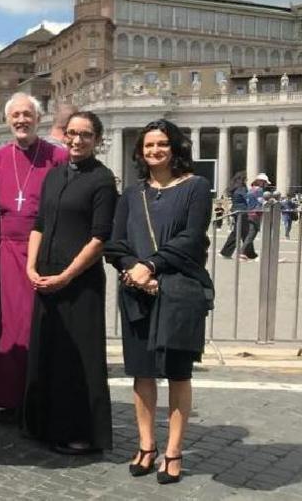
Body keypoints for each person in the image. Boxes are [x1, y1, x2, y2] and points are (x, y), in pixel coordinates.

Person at [105, 119, 213, 486]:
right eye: (148, 145)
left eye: (162, 144)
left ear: (175, 147)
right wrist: (132, 268)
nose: (154, 151)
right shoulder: (132, 194)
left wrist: (150, 265)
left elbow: (192, 238)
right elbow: (115, 243)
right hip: (135, 289)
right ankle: (147, 445)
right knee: (142, 371)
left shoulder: (197, 187)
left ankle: (174, 450)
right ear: (140, 152)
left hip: (177, 291)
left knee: (179, 374)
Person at [22, 111, 117, 455]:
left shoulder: (103, 180)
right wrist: (31, 266)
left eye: (86, 135)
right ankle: (42, 423)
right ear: (64, 135)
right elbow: (39, 224)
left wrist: (66, 275)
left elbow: (99, 238)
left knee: (78, 360)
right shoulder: (54, 175)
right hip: (46, 275)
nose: (77, 141)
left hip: (79, 282)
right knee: (48, 351)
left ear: (97, 140)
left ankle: (80, 431)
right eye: (72, 133)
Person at [0, 92, 67, 423]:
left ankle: (38, 398)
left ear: (38, 119)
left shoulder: (56, 157)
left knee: (36, 328)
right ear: (7, 121)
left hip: (42, 253)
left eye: (27, 115)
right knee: (7, 329)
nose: (21, 120)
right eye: (15, 115)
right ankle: (9, 399)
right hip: (4, 254)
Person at [218, 172, 251, 259]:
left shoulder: (235, 187)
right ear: (242, 179)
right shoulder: (241, 188)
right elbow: (247, 198)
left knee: (242, 233)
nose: (247, 180)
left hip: (238, 211)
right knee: (240, 233)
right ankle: (246, 253)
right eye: (246, 178)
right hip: (242, 211)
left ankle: (246, 253)